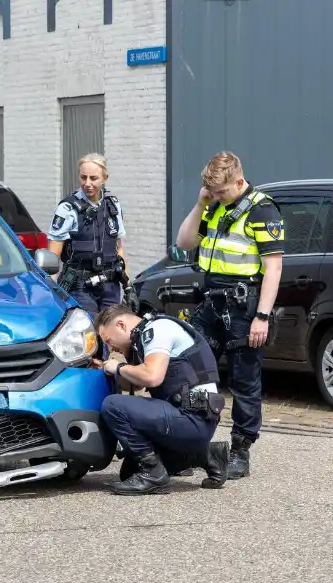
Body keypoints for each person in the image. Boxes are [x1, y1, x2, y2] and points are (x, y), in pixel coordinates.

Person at [175, 151, 284, 480]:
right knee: (190, 372)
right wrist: (200, 204)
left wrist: (261, 317)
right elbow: (184, 242)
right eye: (214, 193)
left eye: (222, 192)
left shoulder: (262, 209)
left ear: (239, 181)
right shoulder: (214, 206)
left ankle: (240, 451)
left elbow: (274, 267)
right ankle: (187, 446)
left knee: (244, 382)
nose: (217, 197)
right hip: (211, 303)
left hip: (244, 305)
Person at [92, 304, 232, 495]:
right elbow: (137, 384)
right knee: (129, 472)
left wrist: (118, 367)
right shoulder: (141, 338)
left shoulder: (157, 329)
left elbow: (152, 376)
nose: (110, 347)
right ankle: (207, 455)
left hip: (192, 418)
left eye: (108, 340)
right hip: (186, 417)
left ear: (121, 325)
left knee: (113, 405)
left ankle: (153, 475)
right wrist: (104, 369)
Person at [46, 153, 132, 316]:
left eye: (93, 178)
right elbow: (53, 256)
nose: (87, 183)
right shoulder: (67, 208)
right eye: (83, 177)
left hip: (110, 285)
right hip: (80, 286)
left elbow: (119, 249)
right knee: (88, 334)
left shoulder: (113, 205)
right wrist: (50, 289)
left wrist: (128, 285)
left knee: (112, 336)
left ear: (105, 178)